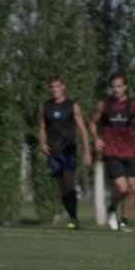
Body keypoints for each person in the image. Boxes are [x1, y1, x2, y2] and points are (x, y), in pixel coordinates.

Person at [89, 73, 135, 232]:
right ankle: (111, 208)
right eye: (113, 87)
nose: (116, 90)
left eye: (119, 86)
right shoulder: (104, 104)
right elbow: (92, 122)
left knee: (133, 188)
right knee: (123, 188)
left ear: (125, 87)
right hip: (110, 150)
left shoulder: (133, 105)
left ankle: (123, 221)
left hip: (128, 150)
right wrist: (96, 139)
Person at [37, 75, 92, 229]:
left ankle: (74, 218)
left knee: (68, 181)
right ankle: (72, 216)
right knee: (62, 187)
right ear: (49, 89)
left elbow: (82, 128)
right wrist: (42, 142)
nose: (54, 90)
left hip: (68, 150)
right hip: (53, 151)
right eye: (52, 87)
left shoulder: (72, 106)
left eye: (57, 86)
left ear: (63, 87)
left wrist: (87, 151)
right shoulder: (44, 106)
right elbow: (41, 127)